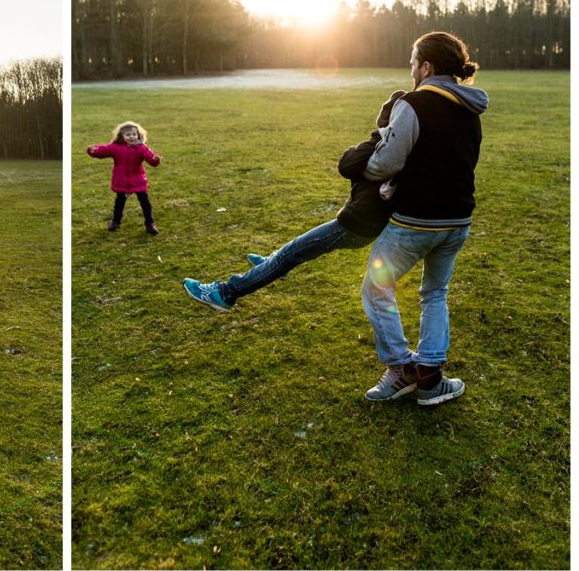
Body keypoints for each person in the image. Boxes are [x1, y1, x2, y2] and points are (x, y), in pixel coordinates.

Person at [182, 90, 406, 312]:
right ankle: (273, 265)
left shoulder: (383, 146)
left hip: (356, 225)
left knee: (290, 254)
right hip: (362, 223)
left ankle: (226, 293)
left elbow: (347, 164)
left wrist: (379, 135)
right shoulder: (402, 148)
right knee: (293, 250)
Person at [360, 31, 487, 406]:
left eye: (413, 62)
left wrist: (361, 168)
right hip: (458, 222)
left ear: (426, 67)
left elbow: (387, 161)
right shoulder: (470, 108)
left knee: (376, 288)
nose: (411, 69)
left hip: (414, 225)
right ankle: (430, 379)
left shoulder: (414, 103)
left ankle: (400, 369)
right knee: (435, 293)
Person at [86, 121, 162, 234]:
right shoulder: (115, 147)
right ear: (122, 136)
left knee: (145, 203)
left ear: (138, 135)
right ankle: (116, 222)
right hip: (121, 180)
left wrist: (154, 159)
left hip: (138, 180)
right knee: (119, 203)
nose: (131, 137)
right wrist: (93, 151)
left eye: (134, 134)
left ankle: (150, 223)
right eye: (128, 135)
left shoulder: (141, 147)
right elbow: (103, 151)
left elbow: (149, 157)